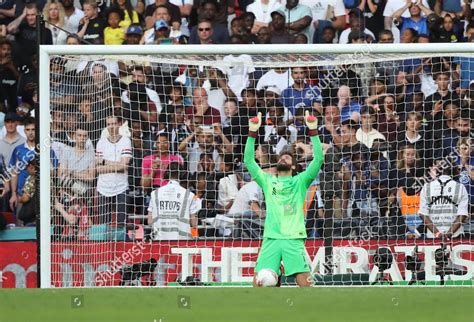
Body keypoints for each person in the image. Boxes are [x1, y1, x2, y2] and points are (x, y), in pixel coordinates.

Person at [245, 111, 324, 287]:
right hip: (271, 239)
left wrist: (313, 130)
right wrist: (252, 133)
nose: (283, 157)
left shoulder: (300, 181)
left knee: (307, 286)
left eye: (287, 157)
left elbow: (318, 159)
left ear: (294, 166)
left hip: (293, 239)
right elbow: (249, 161)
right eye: (281, 156)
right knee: (258, 286)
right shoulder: (268, 181)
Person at [147, 162, 201, 240]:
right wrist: (195, 236)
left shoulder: (154, 194)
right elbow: (194, 223)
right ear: (182, 175)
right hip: (182, 240)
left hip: (160, 240)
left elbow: (150, 221)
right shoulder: (189, 195)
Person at [418, 160, 469, 239]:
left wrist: (437, 233)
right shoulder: (460, 187)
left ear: (438, 171)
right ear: (455, 171)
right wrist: (448, 235)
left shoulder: (426, 187)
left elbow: (423, 214)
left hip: (433, 236)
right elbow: (462, 215)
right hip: (456, 236)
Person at [96, 115, 132, 225]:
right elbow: (98, 168)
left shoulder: (126, 141)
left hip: (121, 187)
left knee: (122, 224)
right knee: (104, 225)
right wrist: (117, 165)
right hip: (103, 188)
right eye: (108, 124)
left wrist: (105, 162)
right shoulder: (101, 142)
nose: (111, 127)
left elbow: (124, 166)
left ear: (119, 124)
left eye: (113, 124)